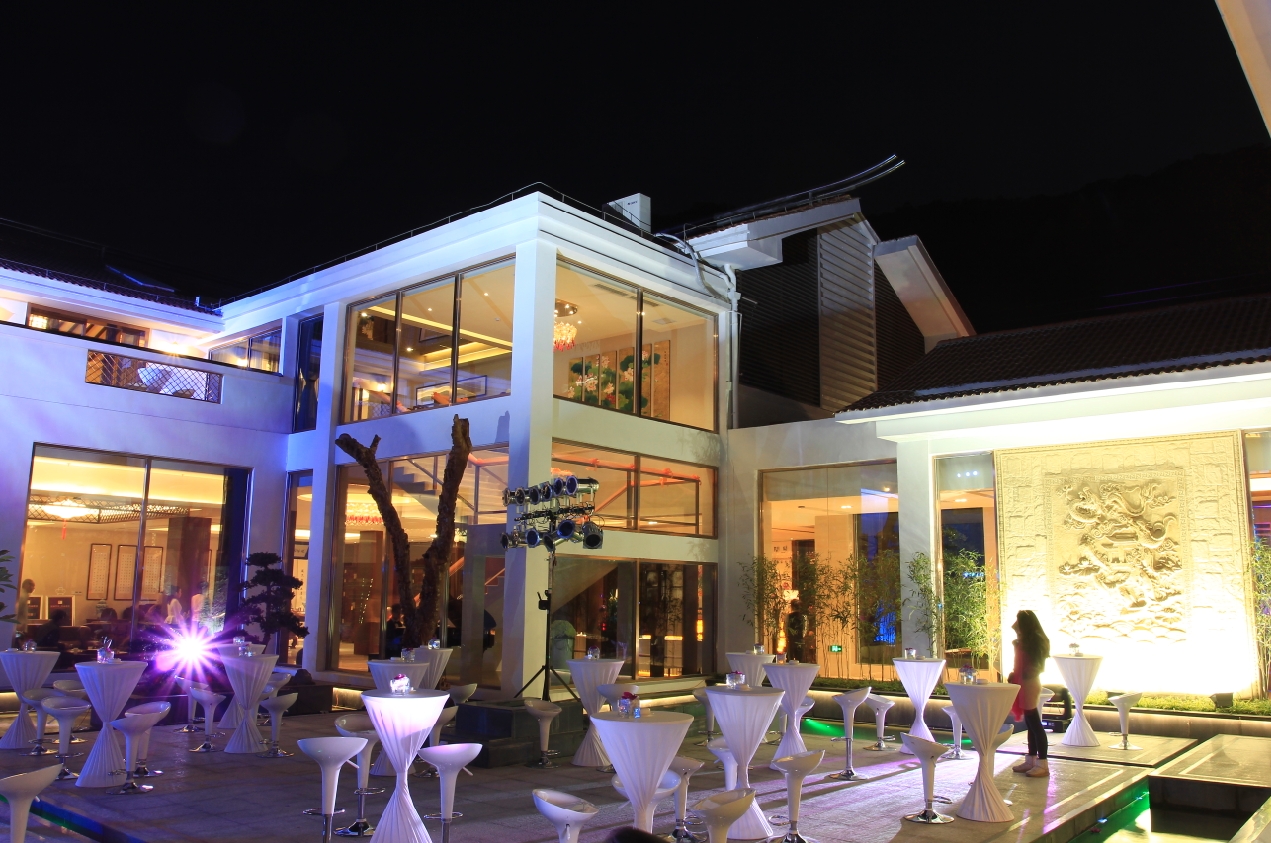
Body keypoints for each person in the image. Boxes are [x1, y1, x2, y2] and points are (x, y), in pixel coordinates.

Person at [1008, 609, 1052, 778]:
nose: (1015, 625)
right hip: (1023, 683)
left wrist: (1025, 673)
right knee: (1030, 723)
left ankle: (1042, 763)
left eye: (1018, 621)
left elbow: (1037, 666)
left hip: (1030, 684)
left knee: (1035, 724)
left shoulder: (1035, 642)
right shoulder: (1024, 641)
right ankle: (1032, 758)